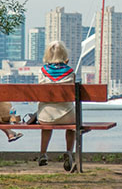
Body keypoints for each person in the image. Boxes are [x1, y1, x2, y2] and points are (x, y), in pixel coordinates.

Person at [37, 41, 77, 172]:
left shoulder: (42, 72)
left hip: (45, 116)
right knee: (72, 128)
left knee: (47, 124)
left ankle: (43, 153)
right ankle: (69, 152)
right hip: (67, 116)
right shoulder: (71, 72)